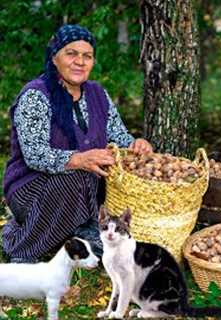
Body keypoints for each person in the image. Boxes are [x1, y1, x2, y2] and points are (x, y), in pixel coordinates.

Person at [2, 24, 153, 263]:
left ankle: (84, 228)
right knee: (75, 175)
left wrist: (137, 144)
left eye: (87, 56)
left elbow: (119, 138)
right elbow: (34, 155)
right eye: (71, 54)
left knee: (107, 177)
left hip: (85, 188)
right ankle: (23, 248)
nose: (80, 62)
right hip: (31, 187)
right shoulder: (36, 95)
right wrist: (78, 159)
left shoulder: (97, 94)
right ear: (55, 58)